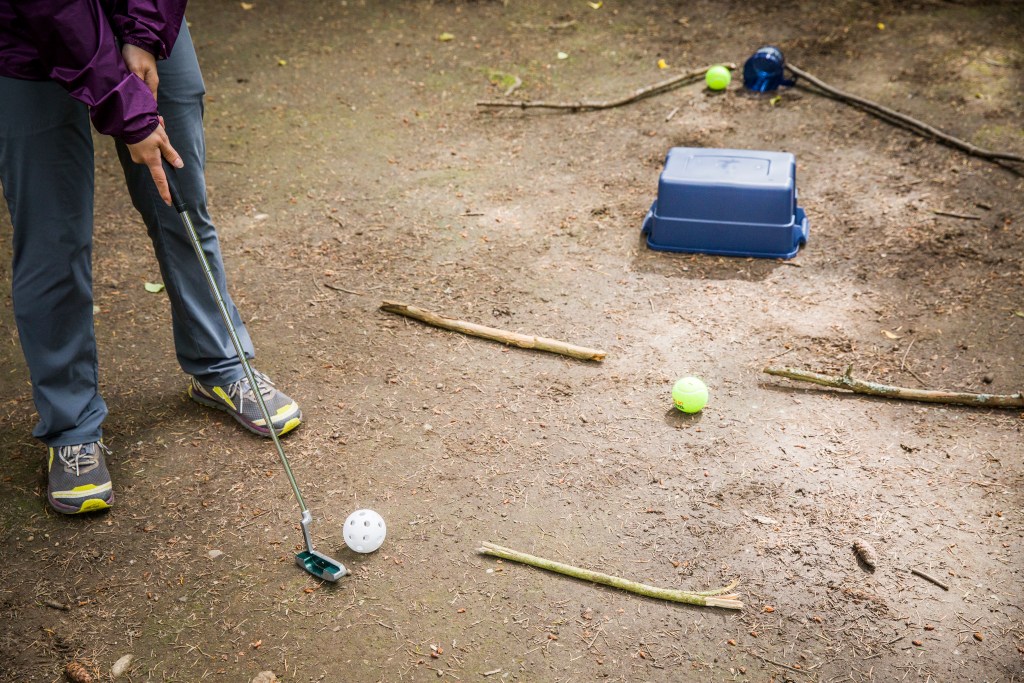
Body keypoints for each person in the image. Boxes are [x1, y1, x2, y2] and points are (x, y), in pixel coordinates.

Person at [0, 1, 301, 515]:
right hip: (29, 38)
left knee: (181, 202)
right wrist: (125, 103)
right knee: (54, 242)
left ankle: (220, 364)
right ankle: (71, 424)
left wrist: (143, 33)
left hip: (147, 21)